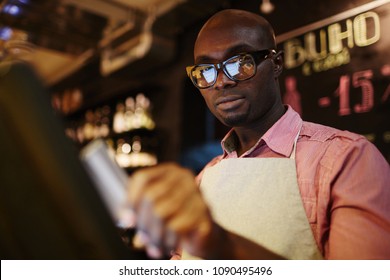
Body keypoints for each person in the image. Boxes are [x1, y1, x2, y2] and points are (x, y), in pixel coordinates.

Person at [126, 9, 390, 259]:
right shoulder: (204, 179)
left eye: (240, 63)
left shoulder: (345, 160)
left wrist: (220, 244)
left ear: (276, 64)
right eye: (206, 70)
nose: (222, 81)